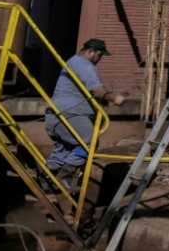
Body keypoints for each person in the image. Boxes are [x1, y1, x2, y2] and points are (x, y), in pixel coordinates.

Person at [45, 38, 124, 190]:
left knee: (65, 148)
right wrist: (115, 98)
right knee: (89, 143)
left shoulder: (73, 62)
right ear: (91, 52)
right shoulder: (84, 65)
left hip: (56, 116)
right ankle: (64, 178)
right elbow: (97, 90)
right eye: (100, 56)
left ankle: (46, 179)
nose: (100, 59)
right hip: (70, 115)